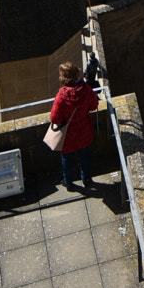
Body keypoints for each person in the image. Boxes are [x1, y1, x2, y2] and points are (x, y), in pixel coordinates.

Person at [47, 61, 100, 191]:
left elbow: (54, 118)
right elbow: (94, 106)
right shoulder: (86, 89)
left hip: (68, 136)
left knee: (67, 160)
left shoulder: (61, 97)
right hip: (84, 131)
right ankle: (86, 179)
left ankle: (68, 182)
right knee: (85, 157)